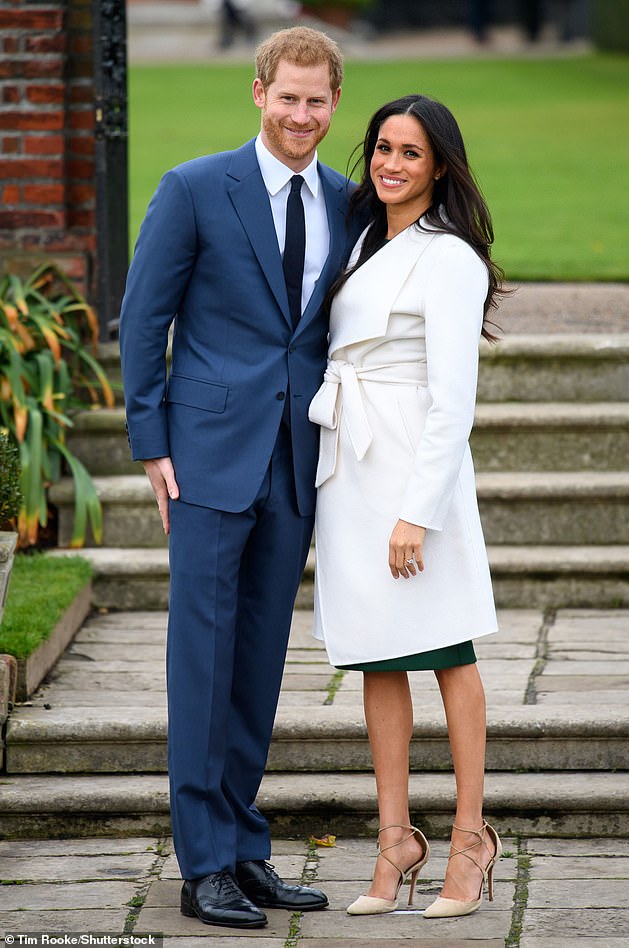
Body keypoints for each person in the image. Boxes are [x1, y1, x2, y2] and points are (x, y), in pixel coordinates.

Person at [119, 27, 363, 931]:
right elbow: (143, 321)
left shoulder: (347, 200)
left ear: (334, 104)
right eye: (287, 97)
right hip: (207, 460)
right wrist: (152, 444)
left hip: (297, 465)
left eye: (317, 101)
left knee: (258, 664)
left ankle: (243, 844)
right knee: (202, 659)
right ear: (258, 93)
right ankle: (202, 864)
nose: (301, 115)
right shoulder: (193, 189)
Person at [308, 94, 504, 920]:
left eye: (411, 154)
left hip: (414, 476)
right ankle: (395, 843)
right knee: (376, 657)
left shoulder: (450, 257)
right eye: (382, 147)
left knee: (448, 653)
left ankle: (469, 840)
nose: (390, 164)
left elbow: (453, 400)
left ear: (440, 167)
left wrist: (416, 513)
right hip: (350, 468)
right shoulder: (358, 237)